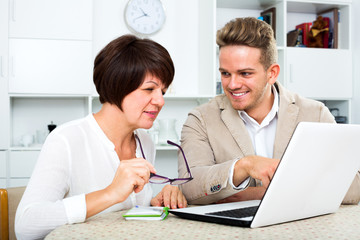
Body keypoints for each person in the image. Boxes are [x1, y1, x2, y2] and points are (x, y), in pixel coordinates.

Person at [15, 34, 187, 239]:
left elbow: (123, 215)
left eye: (163, 91)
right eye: (149, 89)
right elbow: (25, 226)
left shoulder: (145, 141)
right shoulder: (66, 140)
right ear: (117, 84)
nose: (160, 101)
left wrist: (156, 201)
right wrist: (110, 193)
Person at [178, 17, 360, 205]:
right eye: (225, 73)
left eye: (245, 73)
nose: (232, 84)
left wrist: (254, 194)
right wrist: (245, 165)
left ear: (272, 73)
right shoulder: (200, 119)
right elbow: (190, 187)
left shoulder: (316, 114)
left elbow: (353, 188)